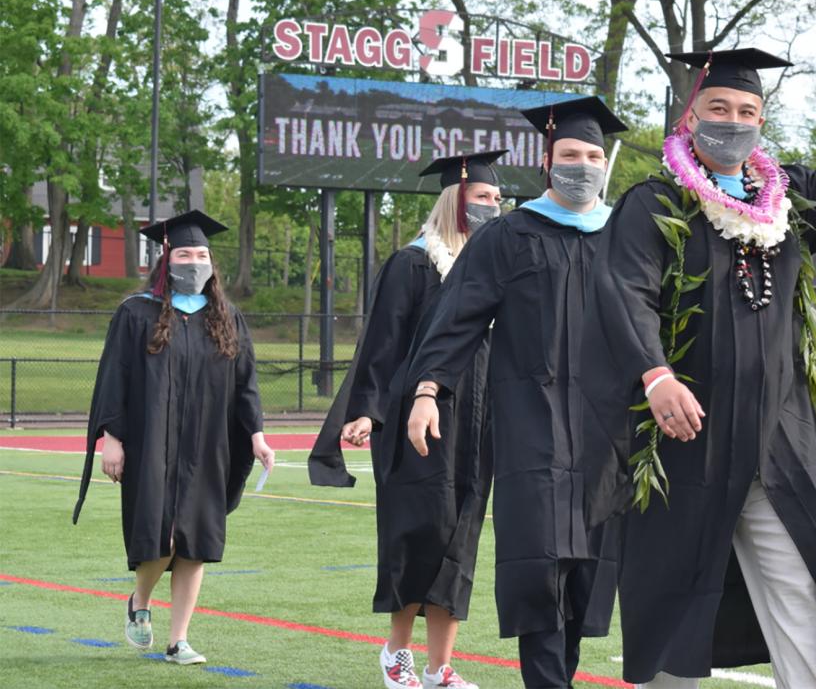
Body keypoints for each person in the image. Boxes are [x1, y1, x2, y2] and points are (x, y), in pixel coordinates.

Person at [582, 17, 816, 689]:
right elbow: (625, 291)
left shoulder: (781, 200)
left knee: (804, 597)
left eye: (747, 112)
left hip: (775, 441)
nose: (733, 122)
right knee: (675, 610)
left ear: (762, 122)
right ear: (689, 114)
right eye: (719, 109)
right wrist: (656, 375)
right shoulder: (656, 203)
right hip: (685, 440)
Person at [401, 96, 627, 689]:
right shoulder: (508, 235)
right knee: (540, 567)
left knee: (585, 576)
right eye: (572, 154)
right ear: (548, 160)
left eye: (594, 155)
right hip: (533, 426)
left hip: (609, 432)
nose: (584, 165)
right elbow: (456, 320)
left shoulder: (626, 235)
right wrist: (428, 391)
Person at [309, 151, 505, 689]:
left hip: (476, 420)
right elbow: (382, 345)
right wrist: (367, 411)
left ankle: (442, 666)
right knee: (419, 533)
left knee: (460, 538)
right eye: (481, 197)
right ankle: (398, 654)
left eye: (495, 199)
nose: (491, 206)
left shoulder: (492, 269)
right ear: (455, 199)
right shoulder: (414, 264)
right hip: (415, 422)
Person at [72, 210, 274, 666]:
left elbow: (246, 384)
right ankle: (140, 599)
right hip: (151, 443)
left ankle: (178, 639)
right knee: (160, 538)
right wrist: (113, 438)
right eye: (185, 253)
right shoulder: (136, 312)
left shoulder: (225, 317)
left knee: (196, 541)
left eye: (202, 254)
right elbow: (114, 379)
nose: (195, 261)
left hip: (207, 445)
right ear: (167, 256)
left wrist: (257, 436)